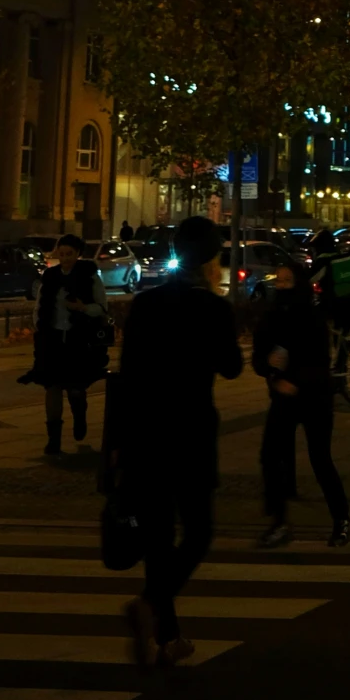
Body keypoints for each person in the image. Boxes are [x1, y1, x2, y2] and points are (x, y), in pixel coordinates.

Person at [117, 214, 244, 671]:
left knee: (157, 536)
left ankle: (168, 637)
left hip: (146, 434)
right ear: (210, 260)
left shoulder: (146, 304)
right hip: (190, 432)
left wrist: (118, 440)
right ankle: (151, 605)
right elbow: (231, 367)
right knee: (198, 531)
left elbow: (127, 375)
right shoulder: (212, 308)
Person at [252, 259, 350, 548]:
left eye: (287, 281)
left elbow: (320, 361)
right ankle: (279, 521)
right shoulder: (270, 316)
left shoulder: (311, 316)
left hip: (313, 398)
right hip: (282, 397)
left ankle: (341, 518)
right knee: (270, 456)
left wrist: (296, 382)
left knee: (320, 459)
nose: (281, 286)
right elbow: (260, 355)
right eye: (278, 281)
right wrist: (267, 368)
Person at [21, 234, 109, 450]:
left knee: (76, 389)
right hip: (52, 341)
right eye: (62, 254)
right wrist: (40, 327)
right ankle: (54, 438)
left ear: (78, 254)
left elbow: (102, 307)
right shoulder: (50, 277)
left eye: (70, 254)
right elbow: (39, 306)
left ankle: (79, 416)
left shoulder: (89, 276)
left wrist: (83, 308)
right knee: (52, 388)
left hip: (78, 341)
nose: (66, 258)